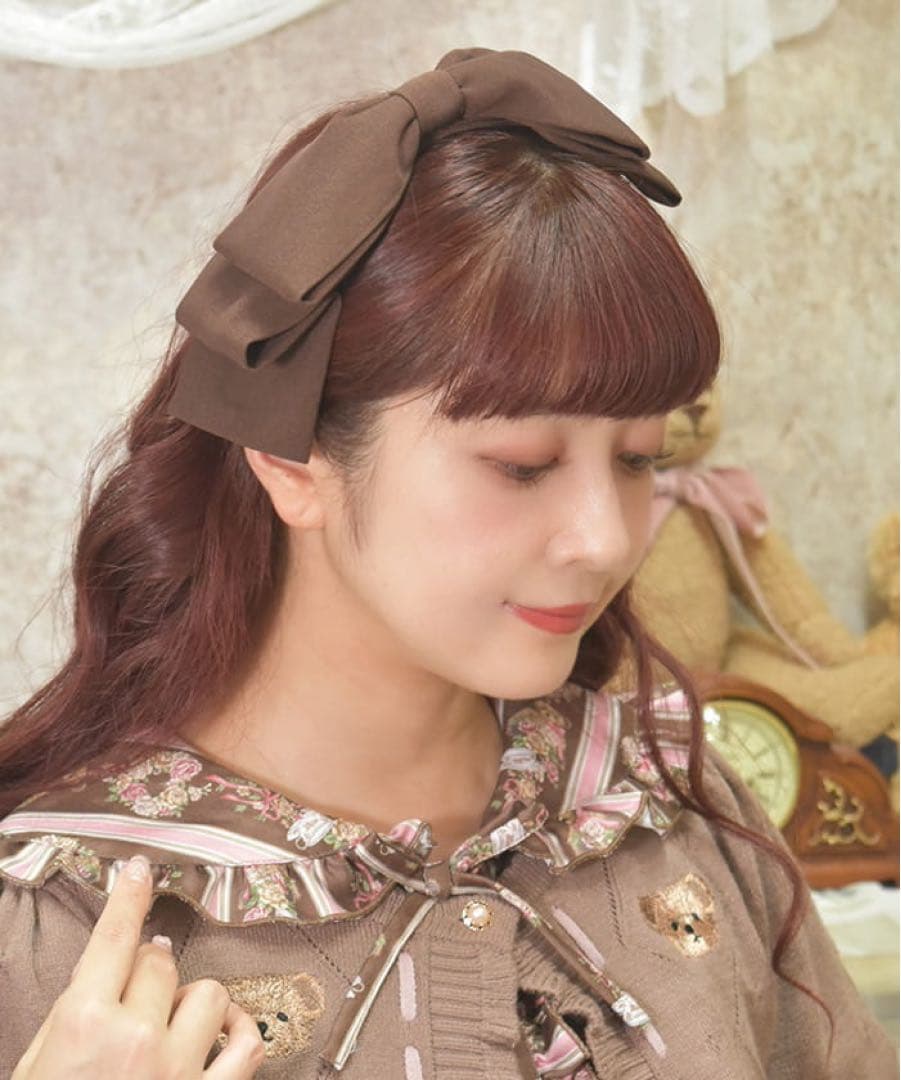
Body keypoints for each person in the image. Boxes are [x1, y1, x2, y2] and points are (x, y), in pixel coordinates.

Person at [0, 46, 895, 1080]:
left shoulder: (669, 805)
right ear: (290, 461)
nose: (608, 539)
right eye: (522, 467)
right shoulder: (67, 929)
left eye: (638, 459)